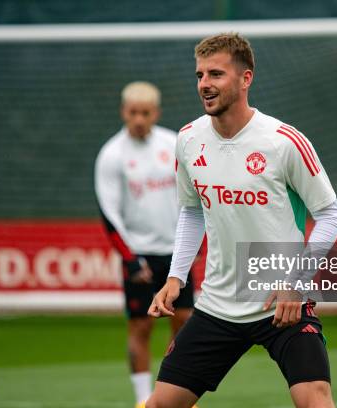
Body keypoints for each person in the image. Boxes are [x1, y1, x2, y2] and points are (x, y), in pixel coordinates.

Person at [146, 33, 337, 408]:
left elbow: (330, 215)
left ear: (245, 78)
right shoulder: (188, 139)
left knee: (314, 400)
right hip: (219, 304)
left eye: (216, 74)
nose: (205, 84)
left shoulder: (284, 142)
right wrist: (176, 277)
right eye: (200, 75)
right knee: (160, 404)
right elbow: (191, 210)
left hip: (282, 303)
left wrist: (295, 283)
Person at [95, 81, 195, 408]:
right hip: (140, 254)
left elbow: (193, 200)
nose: (139, 119)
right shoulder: (112, 155)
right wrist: (130, 258)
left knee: (184, 320)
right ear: (124, 112)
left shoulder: (174, 144)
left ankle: (178, 395)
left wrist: (193, 247)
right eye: (133, 112)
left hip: (177, 250)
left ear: (156, 113)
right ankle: (142, 400)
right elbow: (110, 215)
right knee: (142, 325)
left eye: (146, 112)